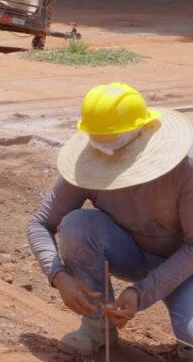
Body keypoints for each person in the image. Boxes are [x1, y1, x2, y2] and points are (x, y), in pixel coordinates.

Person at [27, 82, 193, 359]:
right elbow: (40, 224)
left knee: (191, 339)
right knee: (77, 224)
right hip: (131, 252)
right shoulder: (88, 164)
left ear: (143, 133)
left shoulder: (184, 168)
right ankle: (96, 327)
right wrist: (58, 276)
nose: (112, 159)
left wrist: (141, 293)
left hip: (185, 264)